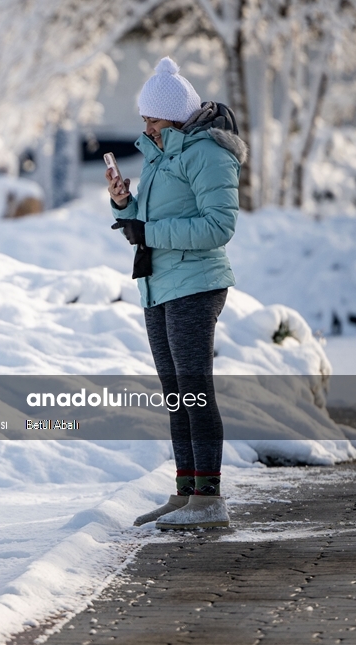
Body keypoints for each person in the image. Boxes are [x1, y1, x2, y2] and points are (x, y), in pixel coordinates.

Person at [107, 57, 247, 530]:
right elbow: (158, 217)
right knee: (177, 396)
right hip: (160, 284)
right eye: (144, 117)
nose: (145, 124)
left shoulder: (207, 152)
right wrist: (125, 202)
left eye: (152, 117)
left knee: (195, 391)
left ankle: (209, 499)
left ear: (176, 115)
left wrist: (148, 231)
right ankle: (187, 492)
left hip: (196, 283)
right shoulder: (163, 153)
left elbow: (218, 226)